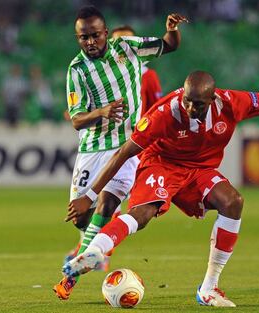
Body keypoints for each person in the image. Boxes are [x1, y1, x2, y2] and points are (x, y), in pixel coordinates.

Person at [62, 71, 259, 307]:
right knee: (142, 215)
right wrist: (89, 196)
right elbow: (123, 154)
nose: (189, 108)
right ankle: (94, 252)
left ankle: (208, 287)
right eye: (186, 100)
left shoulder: (231, 102)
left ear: (212, 100)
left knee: (233, 202)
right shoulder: (164, 114)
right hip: (161, 164)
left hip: (198, 170)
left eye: (197, 104)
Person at [53, 5, 188, 300]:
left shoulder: (126, 47)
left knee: (107, 204)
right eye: (83, 38)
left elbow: (168, 46)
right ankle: (95, 246)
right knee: (80, 217)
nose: (89, 42)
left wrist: (172, 30)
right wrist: (101, 111)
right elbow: (76, 119)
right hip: (92, 147)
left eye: (94, 36)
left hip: (128, 144)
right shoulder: (76, 69)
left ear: (105, 33)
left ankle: (73, 274)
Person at [111, 25, 163, 115]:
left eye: (128, 43)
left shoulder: (147, 75)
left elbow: (156, 111)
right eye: (118, 44)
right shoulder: (99, 73)